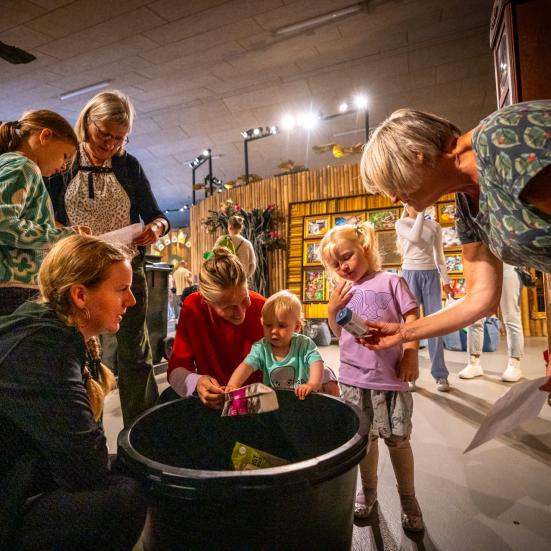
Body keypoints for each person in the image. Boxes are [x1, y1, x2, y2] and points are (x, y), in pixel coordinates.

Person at [358, 101, 551, 394]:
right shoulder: (465, 203)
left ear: (416, 155)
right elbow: (481, 298)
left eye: (393, 184)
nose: (394, 198)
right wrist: (403, 332)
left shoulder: (499, 138)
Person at [0, 234, 147, 551]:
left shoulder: (44, 327)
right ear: (80, 295)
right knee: (125, 497)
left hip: (17, 475)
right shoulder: (44, 348)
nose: (131, 301)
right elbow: (86, 469)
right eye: (121, 289)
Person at [46, 90, 170, 426]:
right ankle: (87, 429)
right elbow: (46, 217)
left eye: (119, 138)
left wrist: (156, 229)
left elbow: (157, 215)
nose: (110, 144)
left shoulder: (128, 166)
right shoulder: (65, 162)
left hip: (127, 269)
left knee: (136, 352)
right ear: (87, 123)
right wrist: (69, 232)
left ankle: (143, 432)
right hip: (80, 273)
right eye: (104, 135)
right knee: (80, 351)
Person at [319, 222, 423, 532]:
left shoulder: (391, 281)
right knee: (365, 441)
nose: (343, 267)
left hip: (389, 378)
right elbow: (340, 333)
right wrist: (331, 309)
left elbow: (413, 318)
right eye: (335, 265)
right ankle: (368, 492)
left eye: (347, 257)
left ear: (365, 246)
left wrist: (412, 353)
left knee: (398, 440)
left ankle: (408, 498)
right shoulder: (342, 291)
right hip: (353, 379)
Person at [167, 248, 338, 409]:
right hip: (219, 402)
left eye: (244, 299)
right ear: (206, 300)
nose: (240, 312)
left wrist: (325, 377)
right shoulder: (193, 308)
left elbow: (297, 352)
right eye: (228, 307)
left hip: (264, 402)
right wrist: (196, 382)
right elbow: (177, 367)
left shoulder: (263, 309)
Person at [0, 111, 88, 316]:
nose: (63, 167)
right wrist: (64, 235)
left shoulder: (10, 164)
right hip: (14, 288)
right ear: (45, 136)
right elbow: (3, 222)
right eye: (65, 156)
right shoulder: (24, 167)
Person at [395, 205, 453, 392]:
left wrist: (446, 280)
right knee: (411, 325)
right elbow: (414, 236)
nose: (418, 205)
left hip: (431, 275)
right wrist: (420, 212)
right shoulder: (401, 223)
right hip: (410, 274)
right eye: (413, 202)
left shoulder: (434, 226)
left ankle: (440, 375)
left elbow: (439, 255)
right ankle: (410, 375)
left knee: (434, 325)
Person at [227, 290, 324, 400]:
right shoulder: (261, 348)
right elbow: (246, 366)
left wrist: (312, 384)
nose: (274, 331)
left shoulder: (304, 344)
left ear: (296, 327)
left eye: (281, 326)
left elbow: (317, 363)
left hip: (302, 398)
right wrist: (233, 385)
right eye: (268, 325)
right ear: (262, 323)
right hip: (274, 401)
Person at [460, 262, 524, 382]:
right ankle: (474, 363)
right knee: (475, 318)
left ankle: (514, 364)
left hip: (508, 265)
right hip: (482, 268)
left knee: (511, 317)